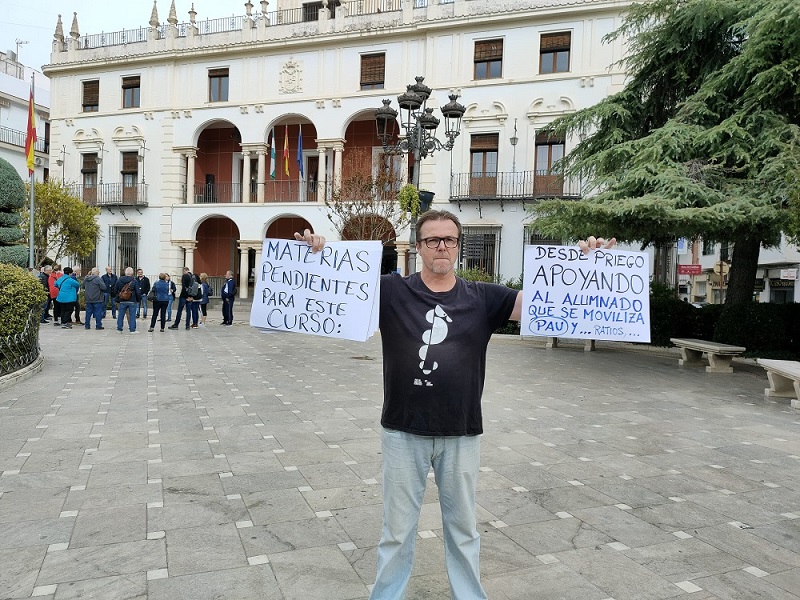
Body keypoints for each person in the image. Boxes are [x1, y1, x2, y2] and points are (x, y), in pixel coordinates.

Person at [296, 212, 615, 600]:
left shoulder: (483, 297)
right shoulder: (391, 292)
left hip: (461, 432)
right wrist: (315, 255)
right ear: (418, 247)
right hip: (402, 430)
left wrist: (584, 265)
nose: (441, 246)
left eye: (449, 239)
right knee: (396, 532)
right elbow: (335, 285)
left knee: (463, 530)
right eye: (432, 240)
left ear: (459, 246)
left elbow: (545, 303)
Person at [115, 267, 141, 334]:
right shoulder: (134, 281)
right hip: (132, 300)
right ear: (132, 273)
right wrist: (138, 299)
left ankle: (119, 329)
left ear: (125, 273)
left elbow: (115, 290)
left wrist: (118, 296)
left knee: (121, 315)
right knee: (132, 315)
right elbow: (138, 292)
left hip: (122, 300)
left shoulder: (119, 280)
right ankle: (132, 329)